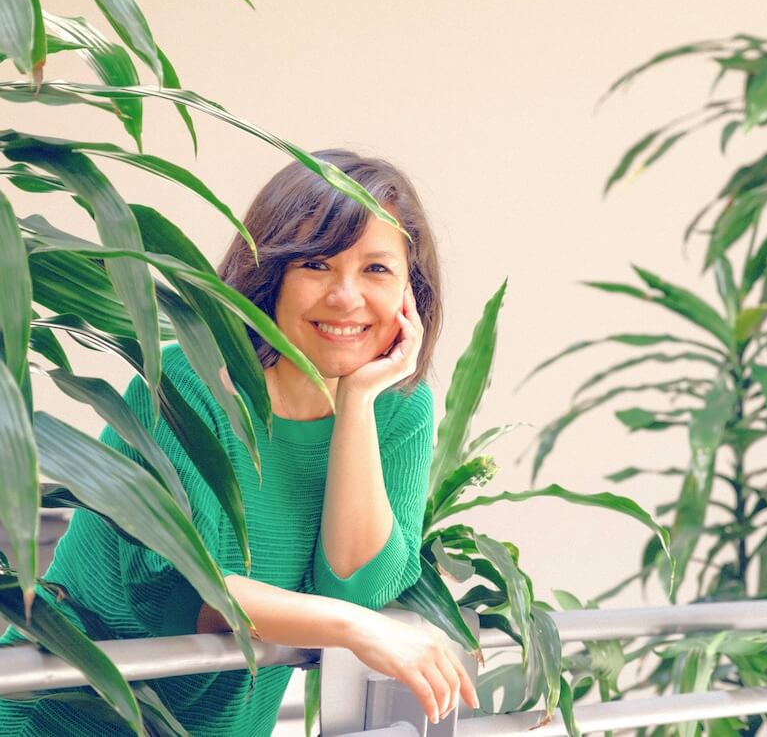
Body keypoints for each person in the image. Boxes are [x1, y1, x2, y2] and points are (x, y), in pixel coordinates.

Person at [0, 149, 479, 735]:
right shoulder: (184, 383)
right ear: (270, 273)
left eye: (376, 270)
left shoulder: (397, 410)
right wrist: (357, 629)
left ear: (411, 291)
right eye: (316, 265)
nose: (346, 297)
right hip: (51, 719)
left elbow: (358, 585)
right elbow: (177, 590)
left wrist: (355, 405)